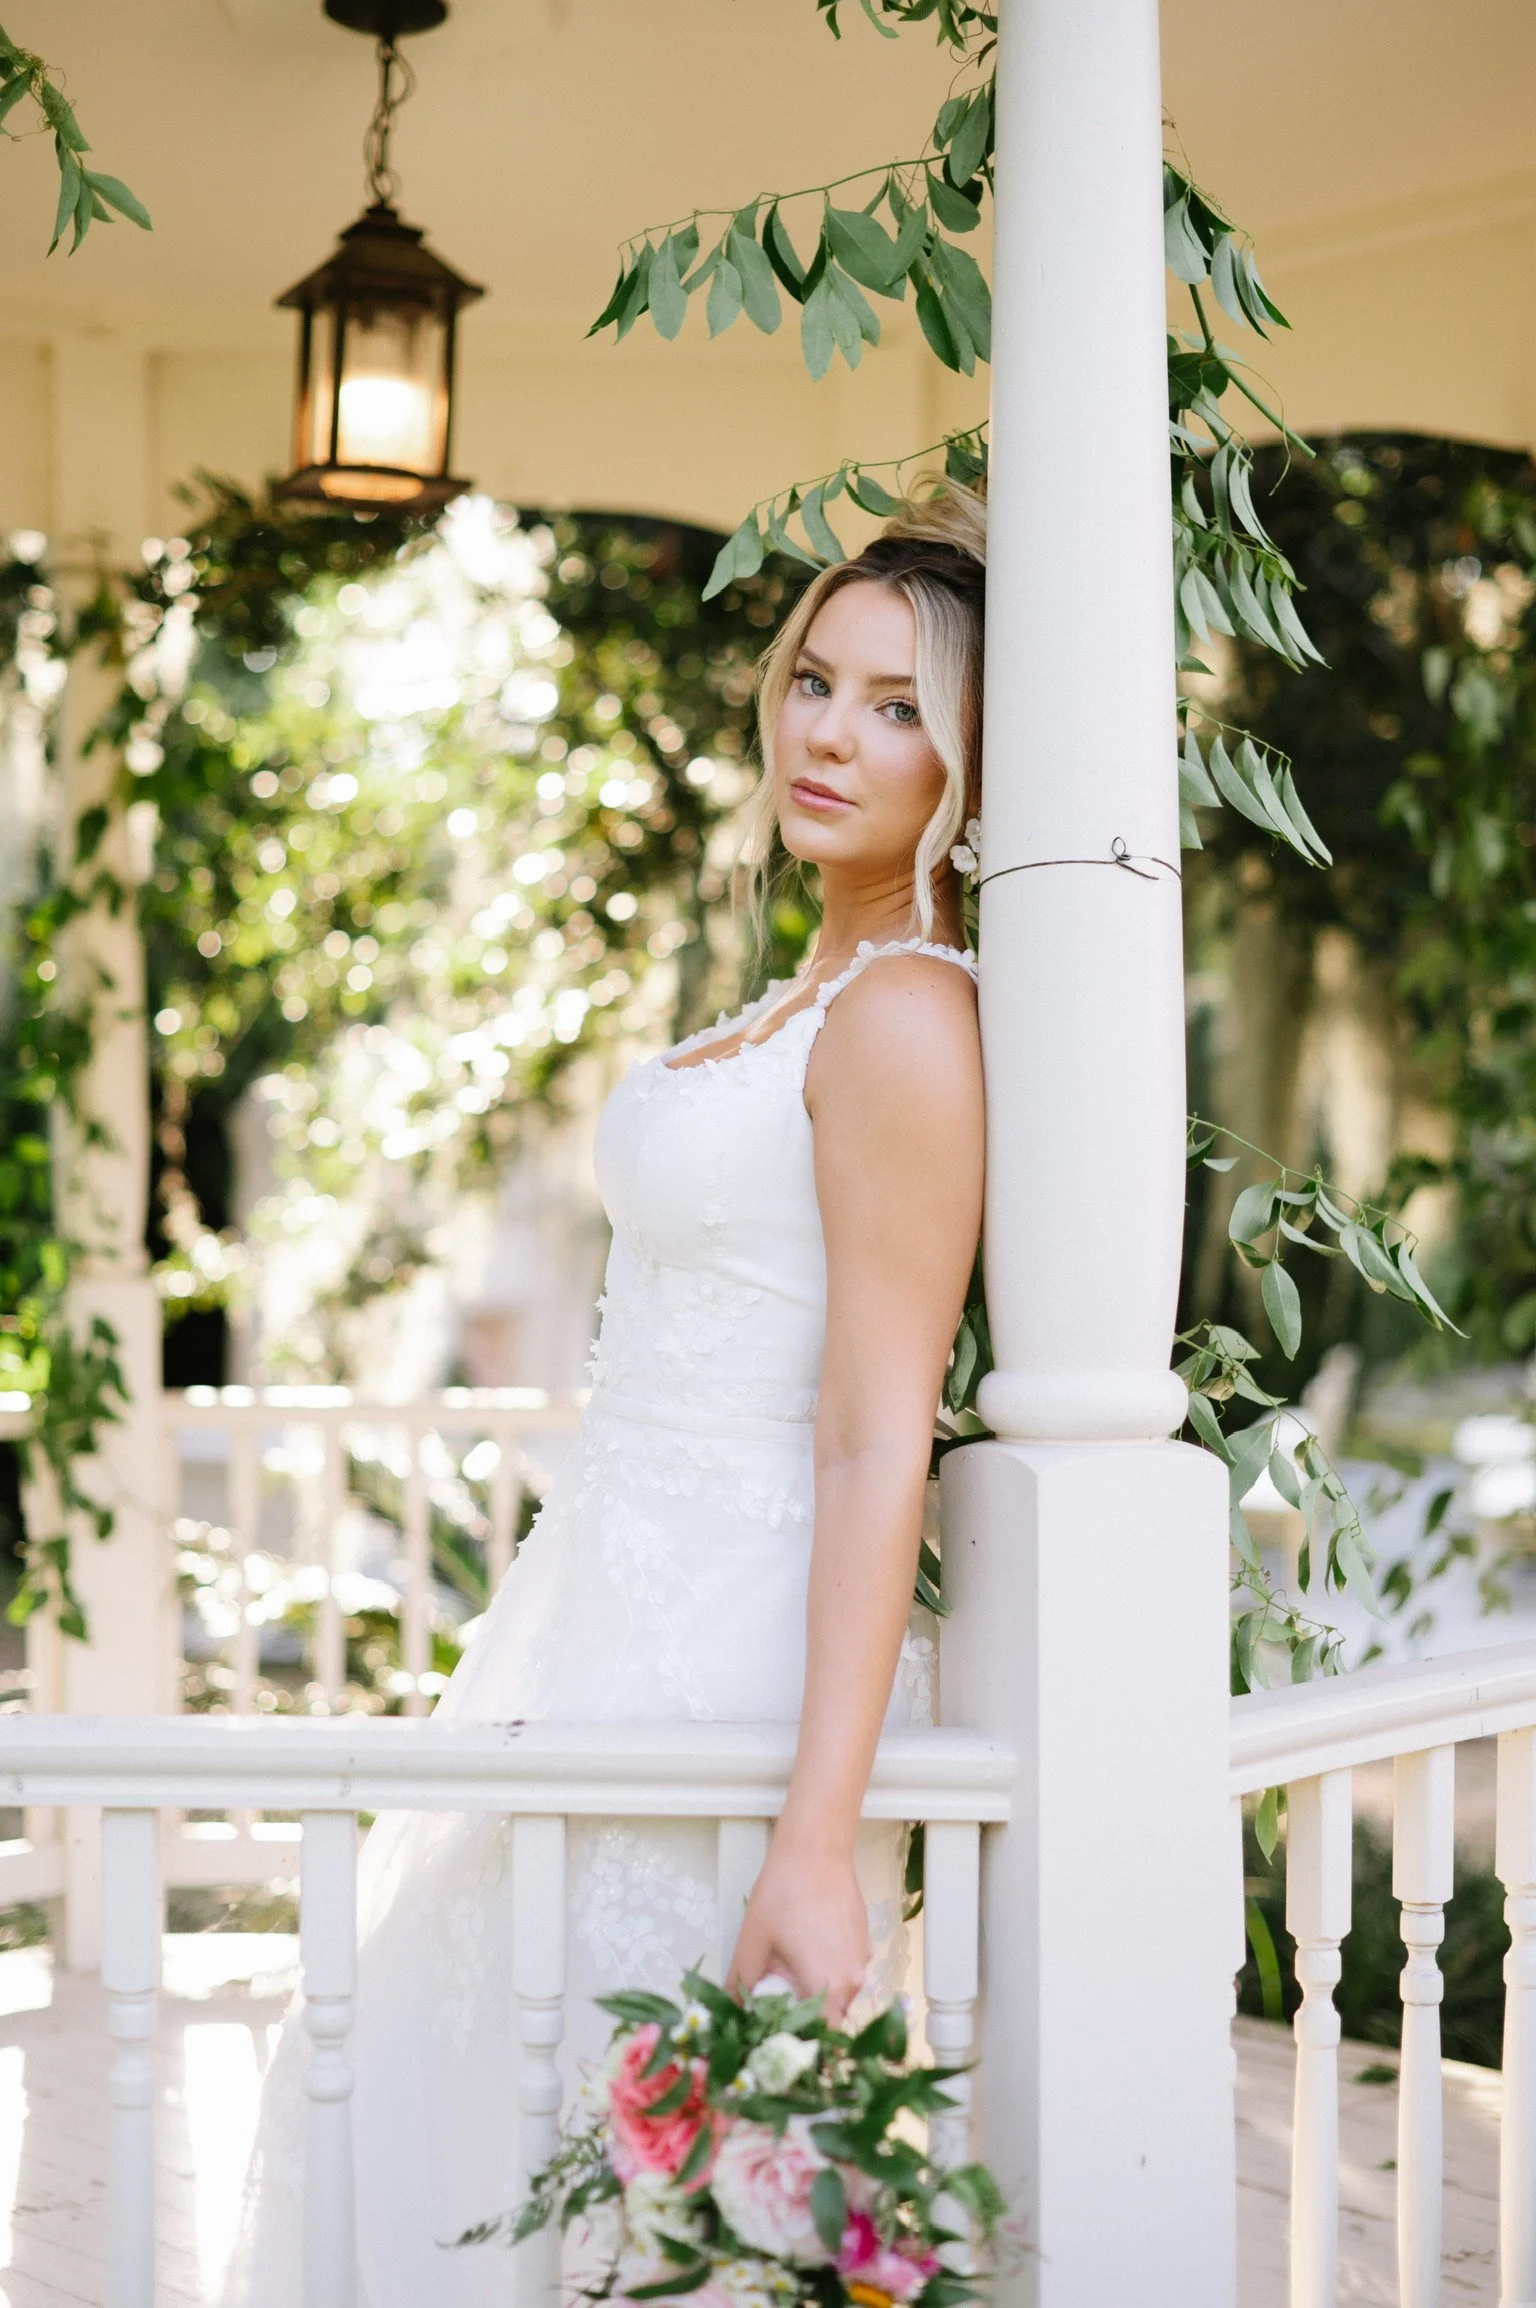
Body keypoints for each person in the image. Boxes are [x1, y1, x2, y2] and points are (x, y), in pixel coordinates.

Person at [222, 478, 987, 2308]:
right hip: (598, 1621)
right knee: (482, 2110)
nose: (833, 731)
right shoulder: (805, 989)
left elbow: (882, 1428)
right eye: (821, 677)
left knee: (619, 2169)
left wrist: (817, 1843)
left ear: (970, 760)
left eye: (900, 707)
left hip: (729, 1670)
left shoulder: (905, 1019)